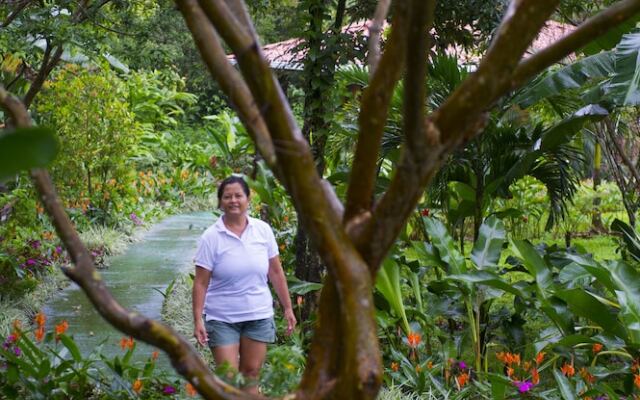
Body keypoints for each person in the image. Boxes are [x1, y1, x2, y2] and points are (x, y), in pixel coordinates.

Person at [192, 176, 296, 394]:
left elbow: (276, 272)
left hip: (258, 315)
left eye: (238, 195)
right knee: (229, 380)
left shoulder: (263, 230)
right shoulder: (211, 237)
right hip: (222, 319)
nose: (233, 200)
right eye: (227, 196)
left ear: (249, 198)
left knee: (250, 377)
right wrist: (197, 320)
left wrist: (287, 307)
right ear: (220, 202)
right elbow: (201, 283)